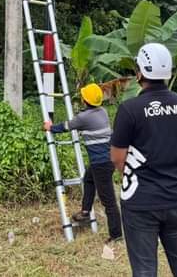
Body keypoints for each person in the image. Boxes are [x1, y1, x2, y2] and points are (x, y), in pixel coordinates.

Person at [110, 43, 177, 277]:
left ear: (140, 72)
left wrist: (137, 176)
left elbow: (118, 158)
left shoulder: (130, 109)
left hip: (141, 203)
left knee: (144, 270)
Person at [43, 83, 122, 243]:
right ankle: (85, 212)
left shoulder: (84, 117)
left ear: (85, 100)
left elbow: (66, 126)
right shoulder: (103, 112)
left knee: (109, 202)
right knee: (88, 180)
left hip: (101, 163)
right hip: (107, 159)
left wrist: (50, 127)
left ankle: (116, 234)